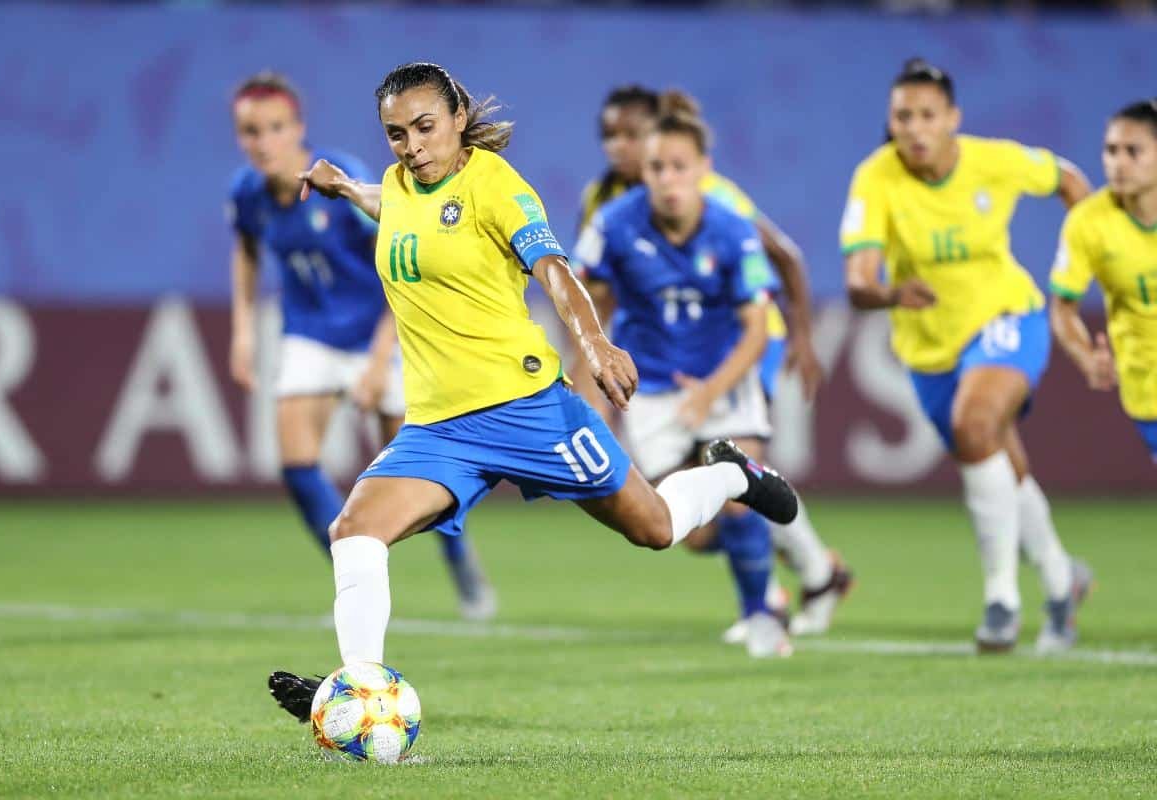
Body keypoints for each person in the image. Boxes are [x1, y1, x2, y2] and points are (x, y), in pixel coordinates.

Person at [267, 62, 799, 720]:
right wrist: (347, 188)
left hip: (528, 409)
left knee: (655, 527)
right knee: (353, 530)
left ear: (459, 118)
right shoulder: (403, 185)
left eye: (426, 127)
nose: (413, 145)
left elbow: (553, 267)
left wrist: (595, 342)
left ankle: (732, 475)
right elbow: (396, 205)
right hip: (439, 429)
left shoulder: (495, 185)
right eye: (396, 134)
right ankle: (362, 693)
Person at [575, 85, 851, 638]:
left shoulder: (722, 206)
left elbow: (784, 260)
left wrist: (799, 335)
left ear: (697, 164)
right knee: (685, 524)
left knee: (733, 482)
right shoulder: (607, 209)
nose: (617, 147)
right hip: (654, 369)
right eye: (611, 136)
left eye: (629, 134)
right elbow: (589, 293)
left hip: (735, 350)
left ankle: (764, 605)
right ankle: (814, 568)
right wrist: (590, 372)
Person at [841, 58, 1093, 653]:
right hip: (929, 348)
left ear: (953, 118)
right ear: (890, 120)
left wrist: (1084, 265)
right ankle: (1061, 580)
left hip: (1008, 316)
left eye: (928, 115)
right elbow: (858, 280)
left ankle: (1001, 599)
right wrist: (890, 293)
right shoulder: (875, 178)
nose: (915, 128)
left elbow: (1069, 179)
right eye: (903, 116)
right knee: (998, 461)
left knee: (975, 422)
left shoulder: (994, 161)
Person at [226, 71, 495, 619]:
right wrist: (243, 332)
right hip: (309, 333)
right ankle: (353, 584)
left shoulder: (342, 178)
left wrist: (378, 361)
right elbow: (248, 250)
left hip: (382, 327)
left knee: (420, 477)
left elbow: (405, 261)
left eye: (275, 128)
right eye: (250, 131)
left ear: (297, 128)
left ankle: (458, 554)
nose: (263, 142)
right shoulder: (248, 193)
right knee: (298, 466)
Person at [1049, 98, 1157, 463]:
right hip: (1147, 390)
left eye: (1133, 151)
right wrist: (1086, 358)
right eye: (1111, 151)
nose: (1118, 163)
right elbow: (1063, 310)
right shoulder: (1088, 223)